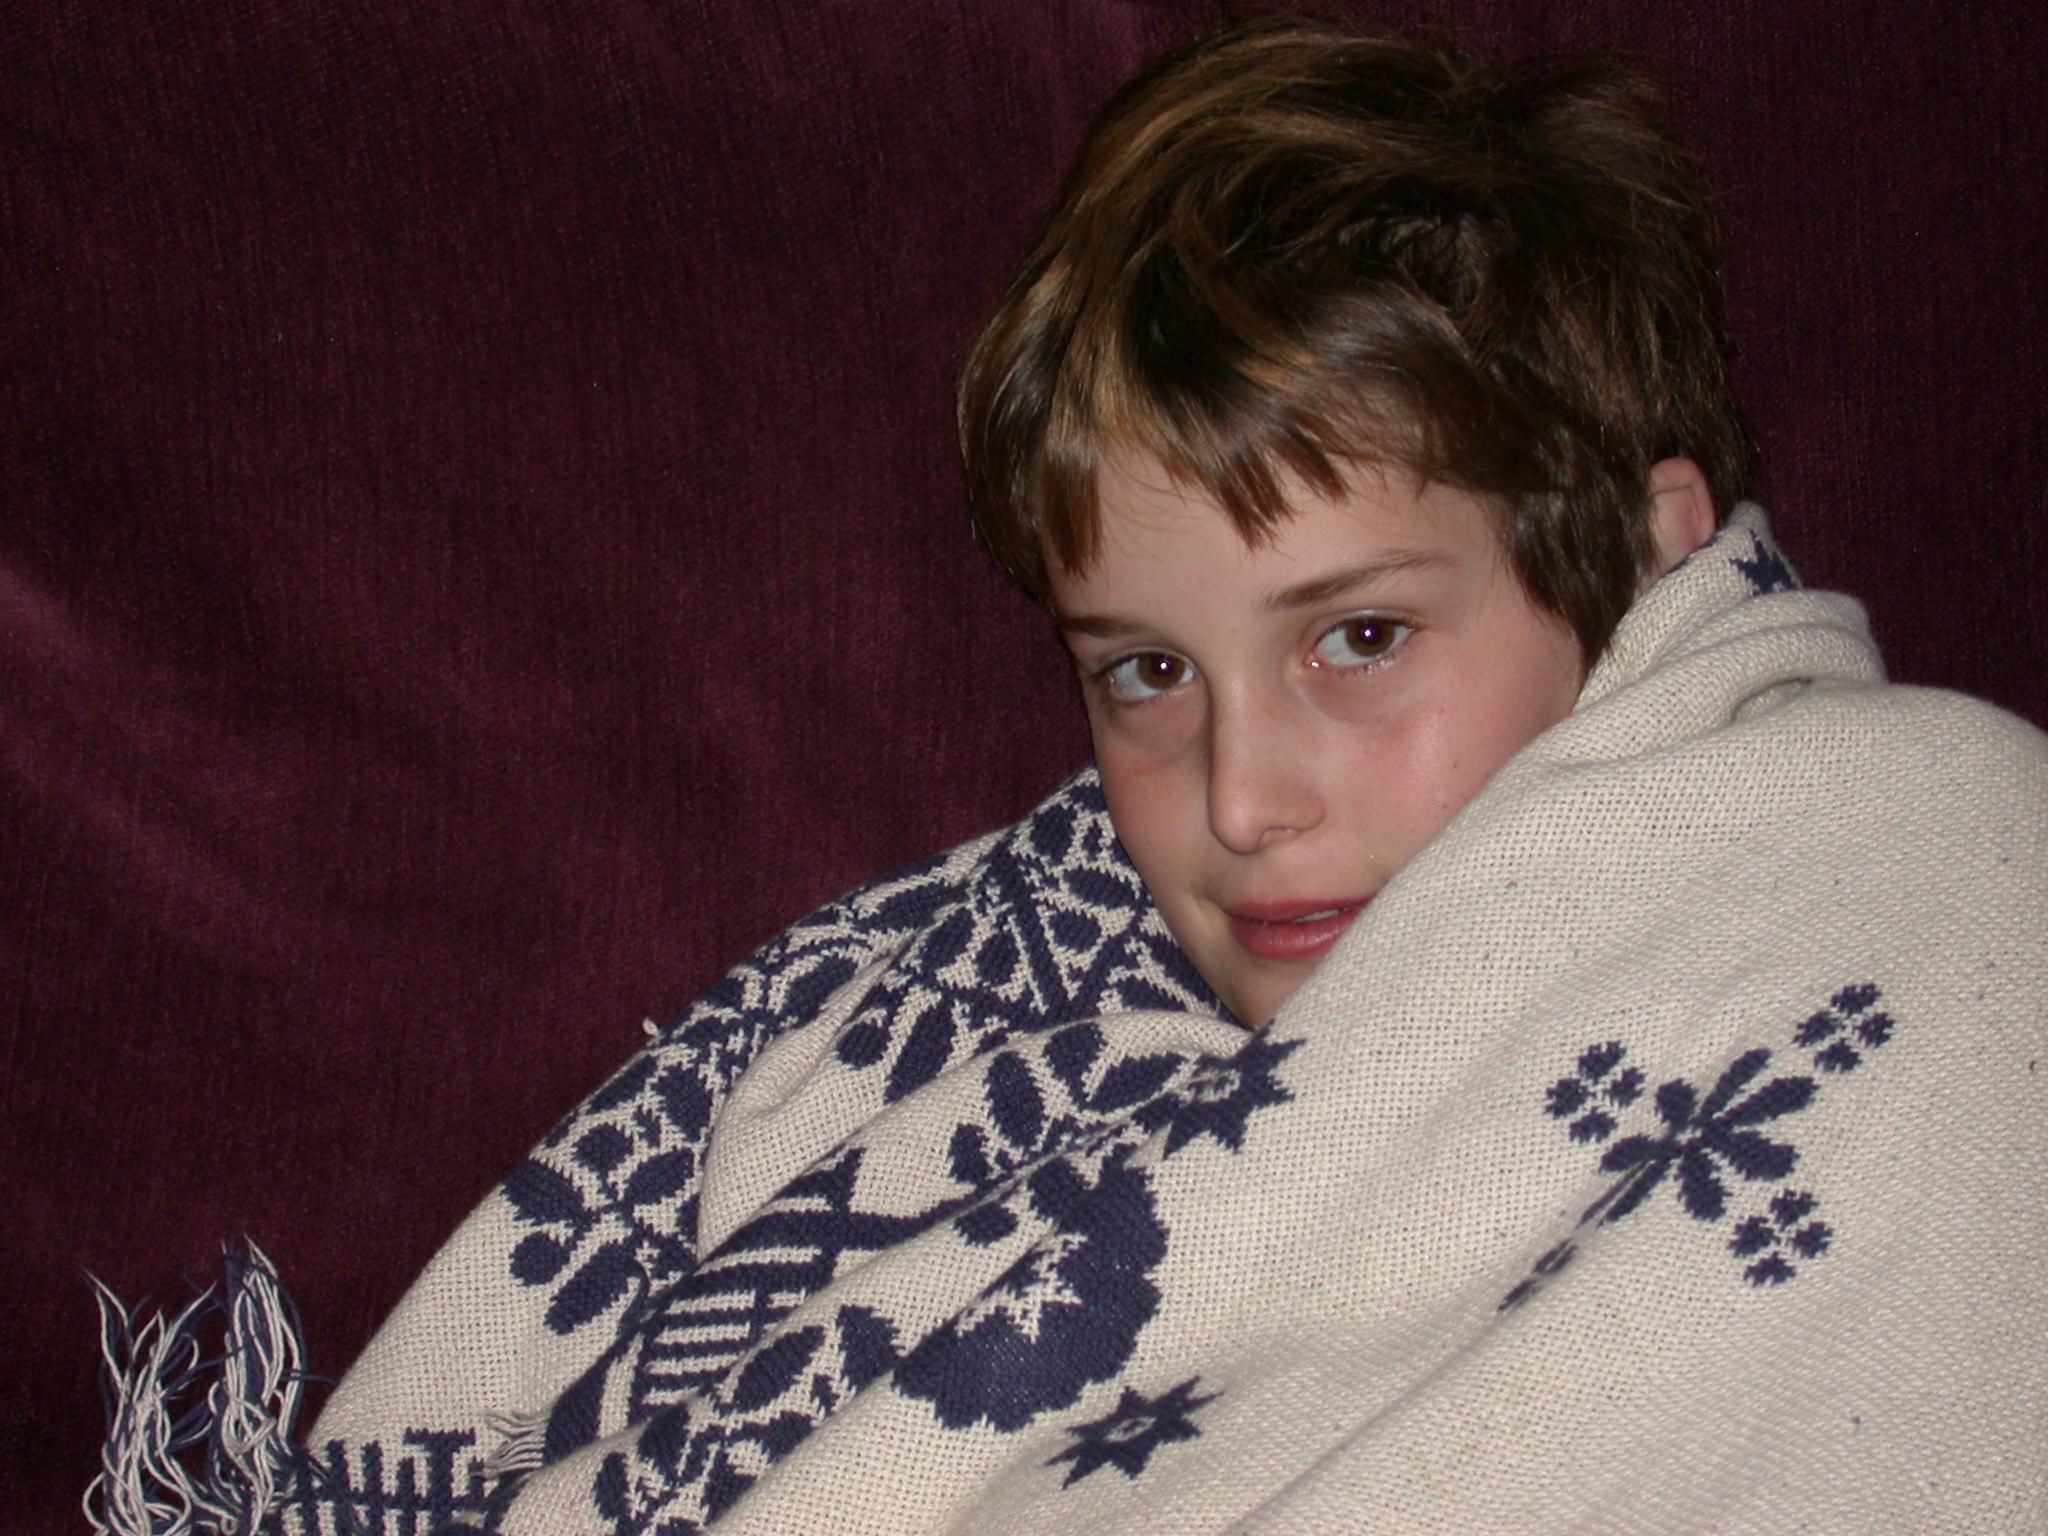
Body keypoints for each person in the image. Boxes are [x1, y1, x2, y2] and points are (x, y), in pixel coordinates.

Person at [91, 20, 2046, 1535]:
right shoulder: (974, 1039)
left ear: (1643, 556)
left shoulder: (1924, 854)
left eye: (1359, 636)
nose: (1242, 800)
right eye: (1144, 675)